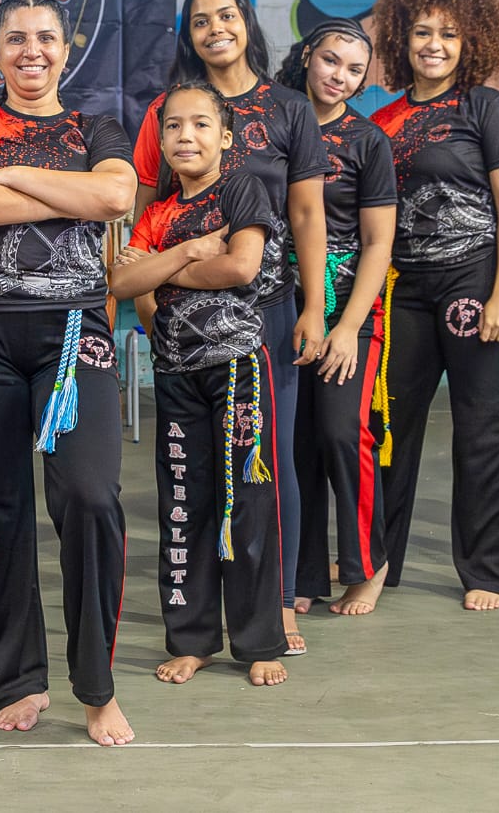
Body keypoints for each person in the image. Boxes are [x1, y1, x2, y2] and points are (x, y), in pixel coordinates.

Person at [0, 0, 136, 746]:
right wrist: (63, 194)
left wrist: (10, 175)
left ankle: (96, 686)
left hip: (73, 334)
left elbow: (115, 194)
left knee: (90, 497)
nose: (31, 50)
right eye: (15, 38)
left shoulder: (96, 126)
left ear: (66, 48)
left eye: (45, 37)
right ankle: (13, 677)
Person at [132, 0, 326, 652]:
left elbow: (306, 214)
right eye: (199, 20)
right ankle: (197, 626)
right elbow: (142, 226)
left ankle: (278, 605)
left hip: (265, 312)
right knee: (190, 477)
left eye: (226, 15)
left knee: (266, 465)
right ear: (187, 36)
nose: (215, 28)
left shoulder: (289, 109)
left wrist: (315, 306)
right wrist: (152, 303)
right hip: (182, 324)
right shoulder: (167, 112)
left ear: (246, 21)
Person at [111, 80, 288, 687]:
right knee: (184, 507)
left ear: (226, 138)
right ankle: (193, 639)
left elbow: (241, 265)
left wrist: (160, 269)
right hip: (176, 374)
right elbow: (122, 284)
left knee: (247, 505)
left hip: (236, 368)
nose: (185, 136)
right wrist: (189, 250)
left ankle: (260, 640)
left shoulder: (241, 188)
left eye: (200, 124)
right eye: (173, 126)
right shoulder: (156, 214)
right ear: (160, 141)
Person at [369, 0, 499, 611]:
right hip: (407, 289)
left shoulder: (486, 107)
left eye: (449, 34)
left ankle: (487, 571)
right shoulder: (382, 122)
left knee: (481, 427)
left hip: (479, 278)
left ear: (472, 42)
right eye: (422, 32)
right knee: (389, 426)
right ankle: (376, 561)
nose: (434, 45)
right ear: (401, 38)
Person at [272, 21, 396, 616]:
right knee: (294, 443)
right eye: (330, 60)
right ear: (306, 57)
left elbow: (377, 243)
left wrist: (346, 327)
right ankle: (302, 572)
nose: (339, 76)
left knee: (341, 433)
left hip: (349, 312)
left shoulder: (367, 142)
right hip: (280, 308)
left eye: (354, 70)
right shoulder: (275, 124)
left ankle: (369, 564)